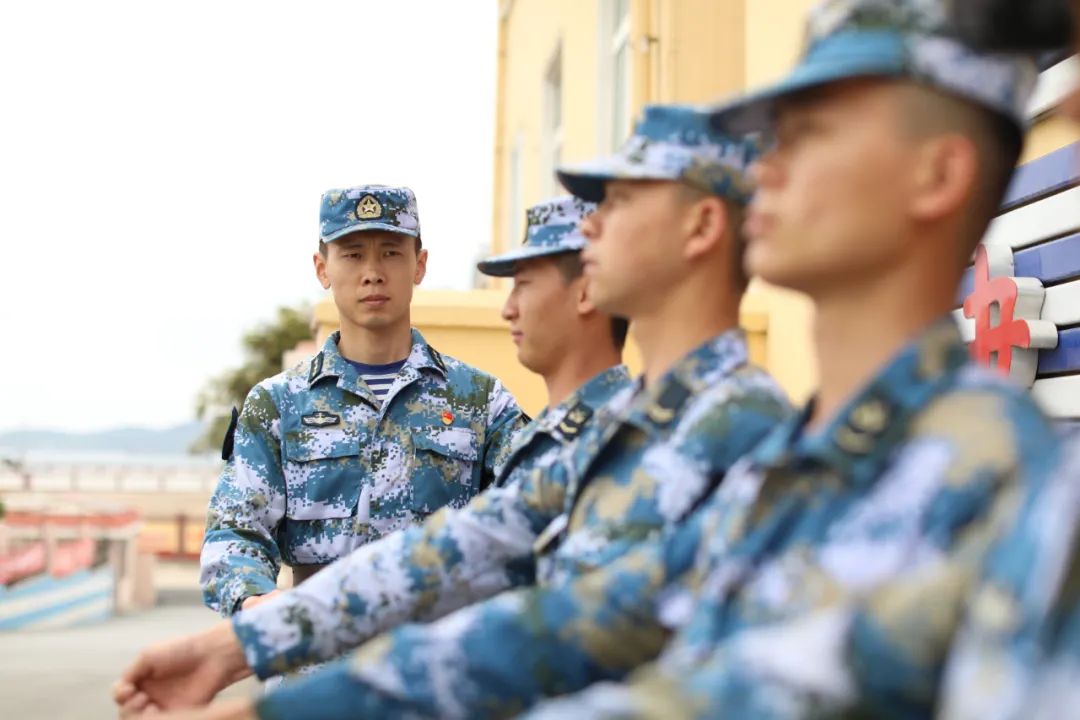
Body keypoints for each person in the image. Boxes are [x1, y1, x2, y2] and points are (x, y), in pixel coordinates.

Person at [173, 2, 1071, 718]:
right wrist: (260, 664)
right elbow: (561, 618)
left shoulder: (1011, 485)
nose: (766, 170)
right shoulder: (789, 460)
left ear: (937, 174)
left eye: (813, 134)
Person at [114, 104, 791, 718]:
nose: (590, 226)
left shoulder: (737, 429)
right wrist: (245, 643)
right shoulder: (626, 427)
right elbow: (459, 557)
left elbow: (615, 648)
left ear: (702, 226)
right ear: (323, 267)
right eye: (353, 254)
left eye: (618, 203)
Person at [199, 184, 527, 618]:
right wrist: (255, 599)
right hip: (319, 648)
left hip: (439, 649)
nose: (372, 272)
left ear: (419, 265)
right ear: (322, 269)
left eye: (390, 253)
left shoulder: (481, 401)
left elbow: (535, 512)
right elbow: (235, 531)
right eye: (353, 255)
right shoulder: (278, 405)